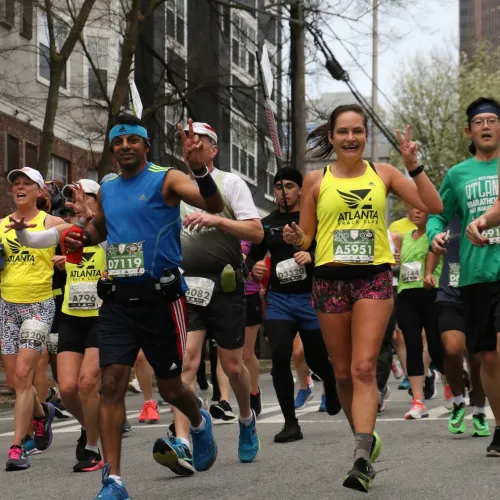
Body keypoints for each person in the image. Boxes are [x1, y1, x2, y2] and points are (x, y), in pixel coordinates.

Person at [13, 115, 222, 497]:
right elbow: (103, 229)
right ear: (112, 151)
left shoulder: (166, 178)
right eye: (118, 141)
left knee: (172, 388)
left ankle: (198, 420)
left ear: (145, 146)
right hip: (118, 299)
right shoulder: (108, 186)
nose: (125, 146)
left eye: (132, 140)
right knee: (110, 385)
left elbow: (214, 202)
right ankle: (113, 479)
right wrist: (82, 239)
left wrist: (197, 168)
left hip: (162, 299)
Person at [283, 104, 442, 491]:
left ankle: (359, 458)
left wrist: (413, 166)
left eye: (358, 131)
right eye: (343, 132)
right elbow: (307, 236)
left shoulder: (383, 174)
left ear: (366, 136)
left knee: (363, 367)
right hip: (329, 282)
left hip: (372, 279)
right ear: (332, 137)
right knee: (341, 375)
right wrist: (295, 239)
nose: (351, 138)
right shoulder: (315, 181)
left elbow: (434, 206)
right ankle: (366, 438)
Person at [154, 121, 262, 476]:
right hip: (185, 286)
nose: (192, 146)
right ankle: (186, 441)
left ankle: (246, 418)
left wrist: (217, 221)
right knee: (185, 362)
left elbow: (255, 230)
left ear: (213, 149)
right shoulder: (173, 188)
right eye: (186, 141)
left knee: (233, 366)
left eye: (200, 142)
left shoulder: (230, 183)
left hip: (226, 284)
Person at [247, 167, 341, 443]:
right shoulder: (267, 223)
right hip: (279, 300)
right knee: (279, 355)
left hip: (310, 298)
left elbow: (330, 248)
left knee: (314, 358)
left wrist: (310, 255)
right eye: (278, 187)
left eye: (289, 186)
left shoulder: (313, 219)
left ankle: (331, 385)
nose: (283, 191)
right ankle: (291, 423)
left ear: (300, 190)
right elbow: (252, 256)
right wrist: (254, 267)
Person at [442, 96, 500, 456]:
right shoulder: (457, 174)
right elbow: (438, 213)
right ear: (469, 130)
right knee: (488, 358)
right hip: (475, 275)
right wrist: (436, 232)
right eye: (479, 121)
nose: (486, 126)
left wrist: (482, 220)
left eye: (493, 120)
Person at [0, 167, 64, 471]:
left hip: (38, 306)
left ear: (40, 191)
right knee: (14, 381)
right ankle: (42, 414)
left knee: (25, 375)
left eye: (27, 183)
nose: (20, 187)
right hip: (7, 307)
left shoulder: (53, 223)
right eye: (16, 184)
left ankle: (16, 447)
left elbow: (85, 251)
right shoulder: (0, 226)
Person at [430, 217, 487, 435]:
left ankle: (480, 410)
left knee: (477, 357)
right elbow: (433, 249)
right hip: (449, 296)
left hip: (478, 294)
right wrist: (428, 272)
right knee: (452, 349)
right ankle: (457, 401)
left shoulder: (485, 216)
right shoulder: (443, 219)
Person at [396, 207, 443, 419]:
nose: (416, 213)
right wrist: (395, 261)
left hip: (432, 293)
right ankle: (417, 401)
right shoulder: (405, 237)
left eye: (422, 209)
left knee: (437, 345)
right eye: (413, 209)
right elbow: (398, 264)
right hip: (406, 295)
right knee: (412, 345)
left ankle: (456, 383)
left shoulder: (437, 235)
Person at [241, 240, 262, 416]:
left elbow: (264, 265)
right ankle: (224, 400)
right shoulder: (219, 232)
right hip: (225, 295)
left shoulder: (253, 234)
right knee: (225, 352)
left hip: (250, 294)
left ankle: (254, 392)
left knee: (247, 354)